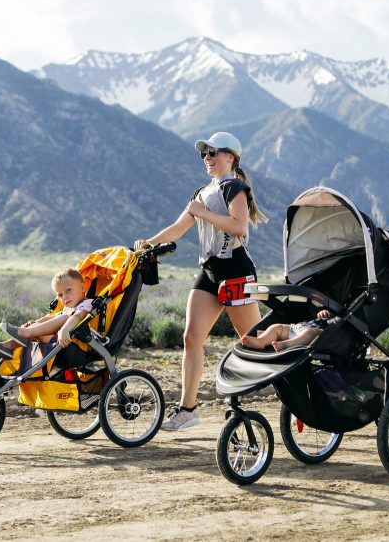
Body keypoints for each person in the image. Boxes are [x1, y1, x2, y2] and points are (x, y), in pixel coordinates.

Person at [134, 131, 267, 431]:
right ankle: (187, 410)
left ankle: (295, 394)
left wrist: (203, 213)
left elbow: (239, 226)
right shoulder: (201, 192)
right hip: (210, 271)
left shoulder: (235, 187)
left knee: (254, 343)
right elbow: (179, 228)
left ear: (230, 157)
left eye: (213, 153)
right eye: (204, 154)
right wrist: (147, 245)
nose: (207, 158)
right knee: (191, 338)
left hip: (236, 272)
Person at [0, 268, 93, 360]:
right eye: (60, 295)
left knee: (63, 317)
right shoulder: (68, 308)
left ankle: (26, 333)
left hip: (70, 346)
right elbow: (52, 319)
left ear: (83, 288)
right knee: (52, 318)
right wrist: (35, 323)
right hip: (56, 343)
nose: (64, 297)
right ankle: (8, 346)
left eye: (68, 290)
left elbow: (77, 317)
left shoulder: (87, 304)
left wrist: (64, 330)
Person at [240, 309, 337, 351]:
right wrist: (325, 313)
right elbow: (332, 312)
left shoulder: (339, 322)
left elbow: (339, 322)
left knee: (310, 333)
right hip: (300, 327)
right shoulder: (332, 315)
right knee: (277, 327)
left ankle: (286, 345)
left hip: (319, 333)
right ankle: (260, 340)